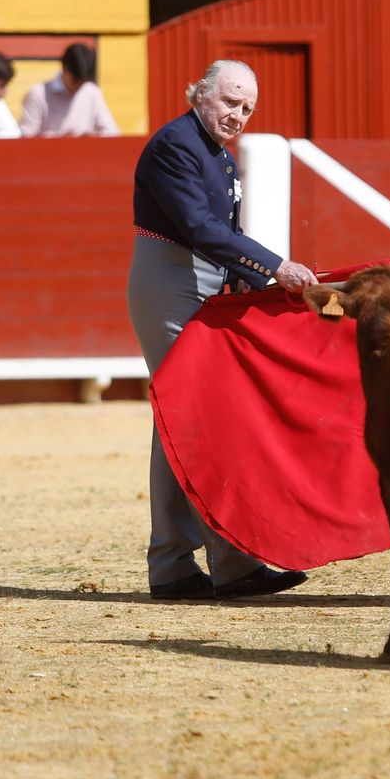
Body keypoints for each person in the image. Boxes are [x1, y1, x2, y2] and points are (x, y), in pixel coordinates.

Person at [126, 59, 317, 601]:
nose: (238, 114)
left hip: (199, 282)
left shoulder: (218, 156)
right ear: (200, 93)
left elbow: (221, 234)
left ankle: (174, 566)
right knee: (197, 418)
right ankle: (228, 564)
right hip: (169, 282)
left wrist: (246, 277)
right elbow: (199, 228)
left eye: (247, 108)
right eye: (230, 101)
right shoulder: (175, 145)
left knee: (177, 423)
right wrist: (273, 266)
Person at [19, 43, 120, 138]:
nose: (79, 86)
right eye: (76, 80)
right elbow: (26, 137)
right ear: (64, 69)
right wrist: (61, 141)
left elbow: (112, 132)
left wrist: (91, 137)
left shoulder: (92, 91)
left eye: (83, 82)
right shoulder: (38, 94)